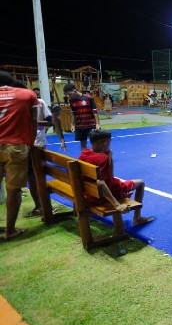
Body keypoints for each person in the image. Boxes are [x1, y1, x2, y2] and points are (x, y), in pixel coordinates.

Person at [79, 130, 153, 225]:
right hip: (106, 193)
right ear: (105, 142)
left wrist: (109, 156)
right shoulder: (103, 159)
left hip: (88, 192)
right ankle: (137, 218)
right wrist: (117, 205)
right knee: (141, 182)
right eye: (109, 142)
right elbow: (102, 182)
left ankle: (135, 218)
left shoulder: (85, 153)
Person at [0, 72, 38, 239]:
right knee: (14, 189)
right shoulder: (27, 94)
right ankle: (10, 230)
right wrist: (31, 142)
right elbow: (33, 121)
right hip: (16, 145)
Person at [26, 87, 67, 218]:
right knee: (30, 176)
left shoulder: (39, 103)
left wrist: (34, 122)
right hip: (21, 144)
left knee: (37, 174)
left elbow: (51, 121)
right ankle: (39, 205)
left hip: (37, 143)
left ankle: (44, 206)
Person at [63, 83, 100, 150]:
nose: (69, 96)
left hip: (91, 124)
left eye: (70, 94)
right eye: (67, 95)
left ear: (75, 91)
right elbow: (73, 113)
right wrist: (72, 125)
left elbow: (95, 111)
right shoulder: (71, 100)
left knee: (96, 143)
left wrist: (97, 124)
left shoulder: (88, 98)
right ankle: (85, 156)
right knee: (83, 145)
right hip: (79, 125)